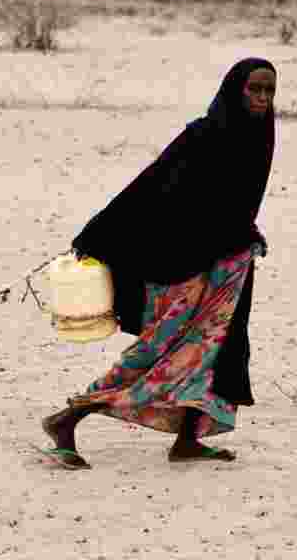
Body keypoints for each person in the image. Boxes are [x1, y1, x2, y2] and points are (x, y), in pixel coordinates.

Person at [40, 57, 277, 469]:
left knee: (215, 350)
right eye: (254, 89)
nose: (261, 97)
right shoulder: (204, 136)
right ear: (234, 89)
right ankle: (69, 417)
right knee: (160, 351)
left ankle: (188, 440)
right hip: (183, 263)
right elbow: (151, 186)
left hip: (229, 265)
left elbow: (237, 206)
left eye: (268, 90)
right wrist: (97, 235)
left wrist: (245, 235)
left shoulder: (260, 136)